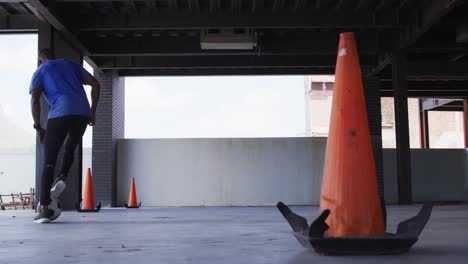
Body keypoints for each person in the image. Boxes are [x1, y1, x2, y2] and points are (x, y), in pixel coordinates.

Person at [29, 48, 100, 223]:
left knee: (48, 161)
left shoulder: (41, 71)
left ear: (41, 59)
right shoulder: (71, 65)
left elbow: (34, 100)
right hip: (82, 113)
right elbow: (95, 84)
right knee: (71, 145)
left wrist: (38, 127)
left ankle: (45, 208)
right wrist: (92, 111)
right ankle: (63, 175)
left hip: (60, 112)